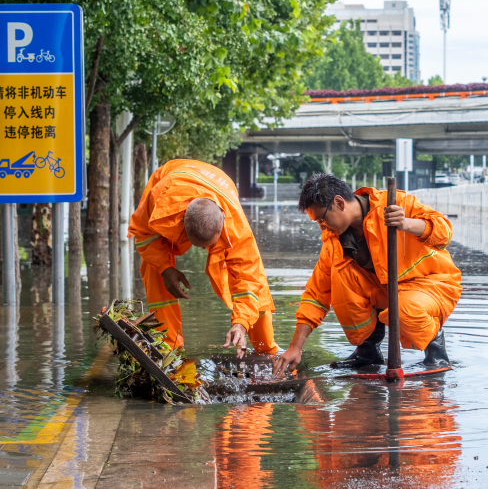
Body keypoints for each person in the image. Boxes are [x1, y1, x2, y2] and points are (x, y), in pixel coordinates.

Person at [272, 173, 461, 377]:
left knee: (404, 309)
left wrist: (406, 224)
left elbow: (445, 233)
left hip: (431, 285)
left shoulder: (396, 203)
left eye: (321, 218)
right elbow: (316, 295)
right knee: (339, 274)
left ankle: (436, 351)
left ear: (339, 202)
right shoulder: (333, 243)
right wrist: (295, 347)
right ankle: (367, 351)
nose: (321, 226)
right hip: (387, 291)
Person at [128, 159, 277, 358]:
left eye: (209, 246)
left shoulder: (238, 231)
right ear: (181, 223)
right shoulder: (160, 200)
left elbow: (248, 282)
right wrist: (165, 268)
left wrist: (240, 323)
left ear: (223, 225)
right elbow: (142, 235)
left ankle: (267, 351)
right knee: (152, 267)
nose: (205, 251)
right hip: (172, 179)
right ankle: (168, 350)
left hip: (221, 184)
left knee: (256, 284)